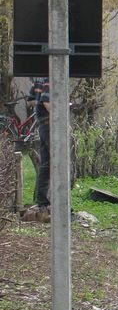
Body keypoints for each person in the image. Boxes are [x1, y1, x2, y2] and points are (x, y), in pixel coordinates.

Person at [24, 79, 50, 222]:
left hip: (42, 125)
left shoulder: (38, 81)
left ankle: (42, 201)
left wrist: (38, 102)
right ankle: (55, 202)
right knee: (58, 163)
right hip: (50, 124)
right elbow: (46, 102)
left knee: (46, 165)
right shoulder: (50, 79)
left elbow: (30, 101)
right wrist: (60, 113)